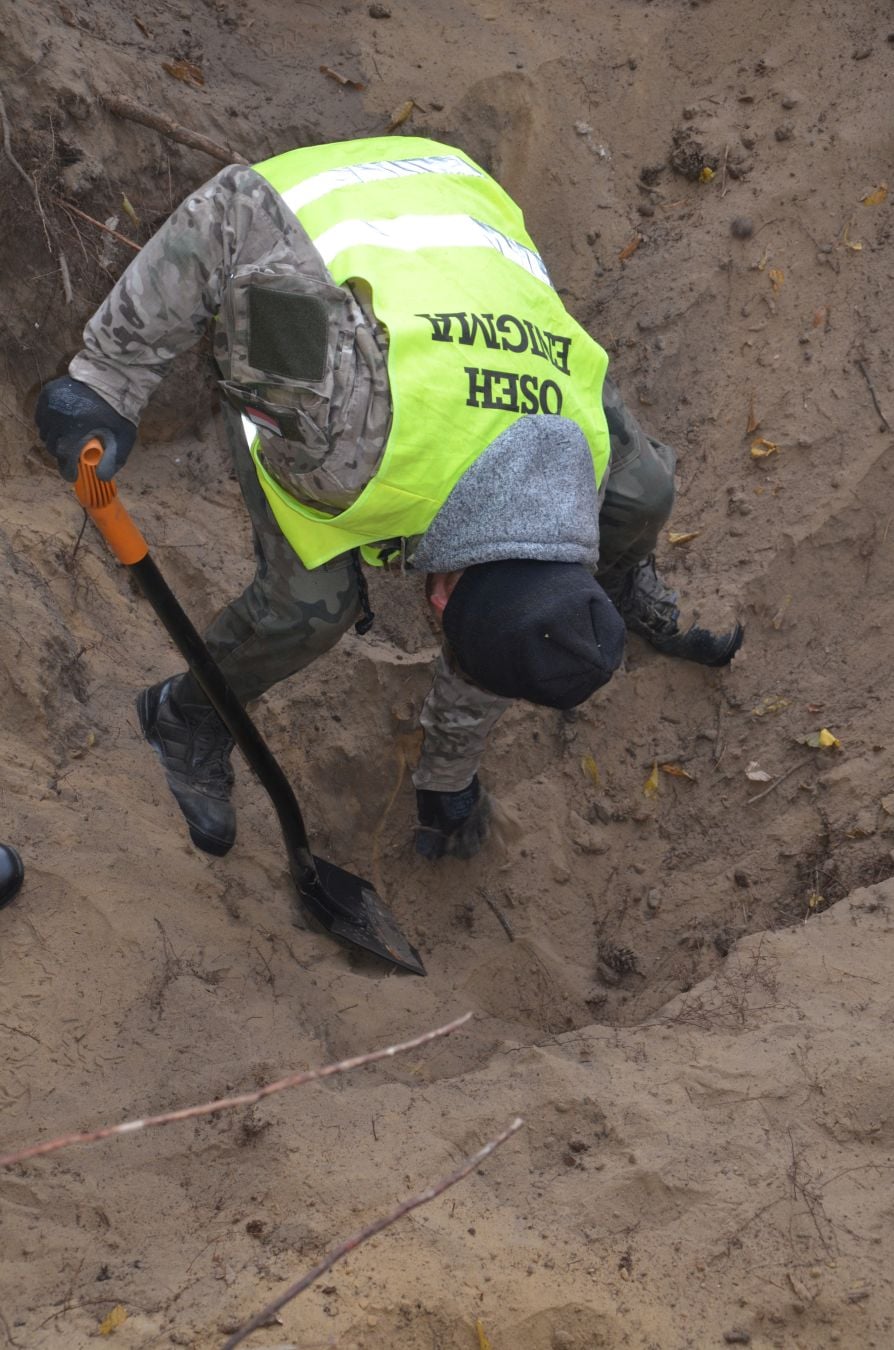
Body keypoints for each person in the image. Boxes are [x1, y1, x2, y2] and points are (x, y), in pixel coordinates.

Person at [35, 135, 742, 862]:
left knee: (645, 490)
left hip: (455, 202)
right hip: (315, 225)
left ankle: (617, 586)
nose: (430, 609)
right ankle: (185, 716)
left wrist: (448, 772)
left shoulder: (586, 448)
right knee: (310, 607)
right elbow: (233, 209)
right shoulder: (345, 435)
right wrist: (107, 380)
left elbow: (512, 617)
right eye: (449, 609)